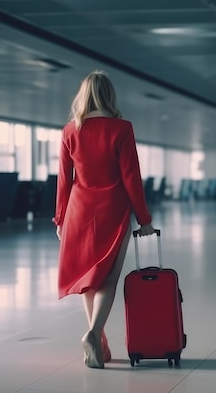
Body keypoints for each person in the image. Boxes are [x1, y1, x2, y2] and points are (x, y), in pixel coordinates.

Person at [53, 70, 155, 369]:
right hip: (113, 209)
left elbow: (63, 180)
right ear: (110, 96)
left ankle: (101, 344)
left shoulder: (70, 130)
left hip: (78, 210)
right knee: (108, 277)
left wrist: (60, 218)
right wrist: (144, 218)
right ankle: (94, 333)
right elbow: (131, 177)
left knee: (88, 280)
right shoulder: (121, 128)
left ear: (82, 96)